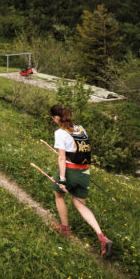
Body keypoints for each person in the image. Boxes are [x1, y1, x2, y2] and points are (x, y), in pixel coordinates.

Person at [48, 104, 113, 257]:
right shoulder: (80, 128)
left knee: (59, 195)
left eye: (53, 118)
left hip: (70, 171)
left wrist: (62, 179)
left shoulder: (60, 132)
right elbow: (78, 150)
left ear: (57, 118)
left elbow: (62, 157)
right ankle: (102, 237)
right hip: (84, 171)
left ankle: (64, 228)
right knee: (80, 204)